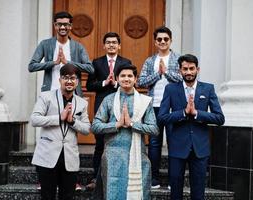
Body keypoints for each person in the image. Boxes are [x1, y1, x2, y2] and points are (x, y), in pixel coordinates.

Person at [157, 54, 225, 200]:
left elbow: (219, 118)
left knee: (198, 192)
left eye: (191, 68)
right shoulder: (170, 89)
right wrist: (182, 113)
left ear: (197, 69)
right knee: (175, 191)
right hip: (177, 147)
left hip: (200, 148)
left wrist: (196, 113)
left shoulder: (208, 89)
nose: (188, 72)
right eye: (185, 69)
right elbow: (161, 118)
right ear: (180, 71)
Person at [91, 64, 159, 200]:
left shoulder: (145, 102)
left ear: (135, 79)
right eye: (123, 76)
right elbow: (95, 126)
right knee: (113, 194)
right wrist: (117, 124)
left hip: (137, 156)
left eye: (130, 76)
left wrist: (132, 124)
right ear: (117, 78)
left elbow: (154, 129)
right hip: (112, 157)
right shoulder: (109, 100)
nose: (126, 79)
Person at [30, 64, 91, 200]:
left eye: (73, 78)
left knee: (68, 196)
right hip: (47, 156)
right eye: (66, 78)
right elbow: (34, 119)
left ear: (77, 82)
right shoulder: (46, 97)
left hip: (69, 157)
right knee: (47, 196)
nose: (69, 81)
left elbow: (87, 129)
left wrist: (72, 121)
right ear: (60, 80)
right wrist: (59, 118)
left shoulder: (82, 103)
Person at [137, 26, 182, 188]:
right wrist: (158, 74)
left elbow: (184, 79)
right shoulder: (150, 61)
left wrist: (167, 72)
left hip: (173, 108)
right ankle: (154, 178)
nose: (162, 42)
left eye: (165, 39)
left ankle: (173, 180)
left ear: (170, 40)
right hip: (153, 106)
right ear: (155, 42)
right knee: (154, 144)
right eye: (159, 39)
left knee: (173, 144)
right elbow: (140, 82)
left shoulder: (178, 59)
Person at [86, 32, 131, 189]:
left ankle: (120, 177)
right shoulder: (97, 63)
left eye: (114, 42)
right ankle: (96, 178)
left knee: (120, 142)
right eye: (108, 42)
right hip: (101, 106)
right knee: (100, 143)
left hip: (121, 105)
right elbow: (89, 85)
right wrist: (105, 82)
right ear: (104, 45)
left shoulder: (126, 62)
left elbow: (129, 82)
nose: (111, 45)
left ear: (119, 45)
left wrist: (118, 83)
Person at [28, 11, 94, 95]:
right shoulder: (45, 44)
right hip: (51, 92)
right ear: (55, 26)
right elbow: (31, 66)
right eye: (59, 24)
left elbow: (90, 68)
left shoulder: (78, 47)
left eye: (66, 24)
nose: (62, 27)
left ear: (70, 26)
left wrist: (68, 63)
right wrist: (54, 63)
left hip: (73, 94)